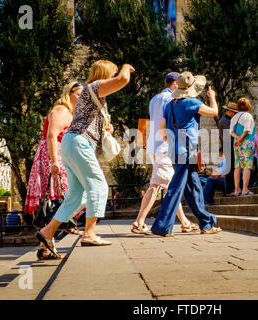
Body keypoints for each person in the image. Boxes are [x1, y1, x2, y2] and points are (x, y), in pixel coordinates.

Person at [35, 60, 135, 259]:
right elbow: (123, 80)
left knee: (77, 196)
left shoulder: (91, 93)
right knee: (99, 186)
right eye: (112, 73)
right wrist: (125, 67)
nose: (114, 76)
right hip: (80, 143)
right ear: (106, 74)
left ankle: (47, 232)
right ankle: (89, 234)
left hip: (73, 143)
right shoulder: (94, 87)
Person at [151, 71, 222, 236]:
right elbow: (214, 112)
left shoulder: (170, 105)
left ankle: (206, 223)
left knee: (194, 188)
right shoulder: (191, 103)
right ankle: (162, 226)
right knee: (175, 189)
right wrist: (212, 96)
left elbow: (162, 131)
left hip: (175, 151)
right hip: (187, 152)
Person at [131, 72, 199, 235]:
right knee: (156, 186)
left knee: (170, 186)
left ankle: (184, 222)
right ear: (175, 84)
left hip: (155, 147)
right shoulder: (171, 100)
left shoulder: (154, 99)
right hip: (165, 147)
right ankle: (139, 222)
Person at [25, 81, 84, 240]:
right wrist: (54, 161)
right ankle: (48, 240)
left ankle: (53, 236)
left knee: (64, 194)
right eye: (78, 94)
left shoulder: (71, 114)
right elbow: (51, 135)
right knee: (55, 196)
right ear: (69, 94)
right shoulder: (61, 110)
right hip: (53, 154)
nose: (81, 98)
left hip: (62, 154)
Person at [230, 98, 256, 196]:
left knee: (237, 166)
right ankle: (245, 189)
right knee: (247, 166)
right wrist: (241, 139)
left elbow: (231, 132)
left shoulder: (234, 117)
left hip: (236, 144)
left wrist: (237, 138)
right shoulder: (248, 116)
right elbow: (247, 130)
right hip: (247, 142)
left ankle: (237, 190)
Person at [218, 102, 238, 195]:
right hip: (228, 146)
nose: (235, 114)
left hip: (229, 146)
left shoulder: (227, 119)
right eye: (234, 112)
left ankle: (231, 189)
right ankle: (229, 190)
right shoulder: (225, 121)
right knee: (230, 170)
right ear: (229, 111)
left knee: (232, 169)